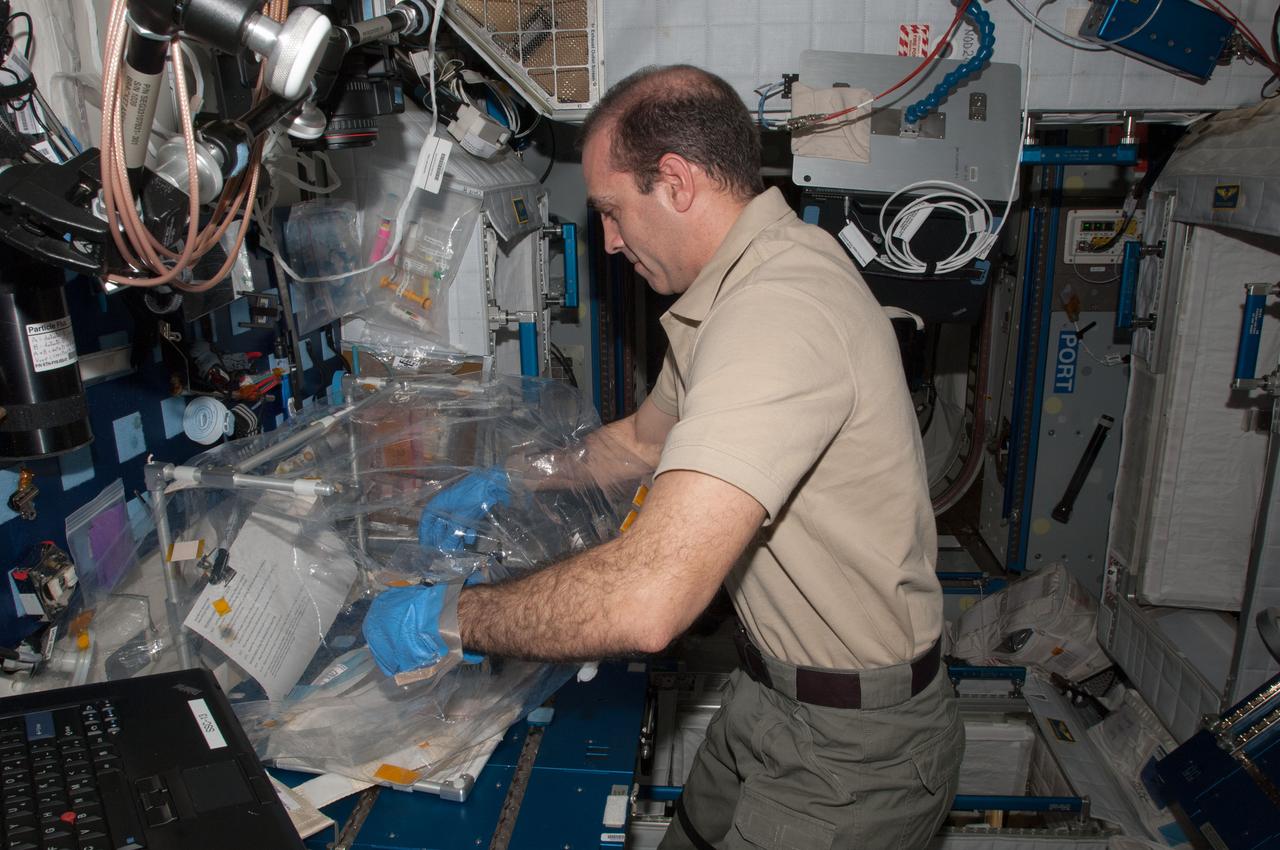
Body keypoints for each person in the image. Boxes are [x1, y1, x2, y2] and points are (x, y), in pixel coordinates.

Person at [363, 64, 963, 849]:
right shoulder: (739, 286)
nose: (609, 244)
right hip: (772, 688)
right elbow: (645, 441)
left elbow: (649, 602)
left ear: (674, 181)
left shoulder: (778, 312)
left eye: (612, 212)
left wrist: (448, 618)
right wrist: (506, 481)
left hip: (854, 750)